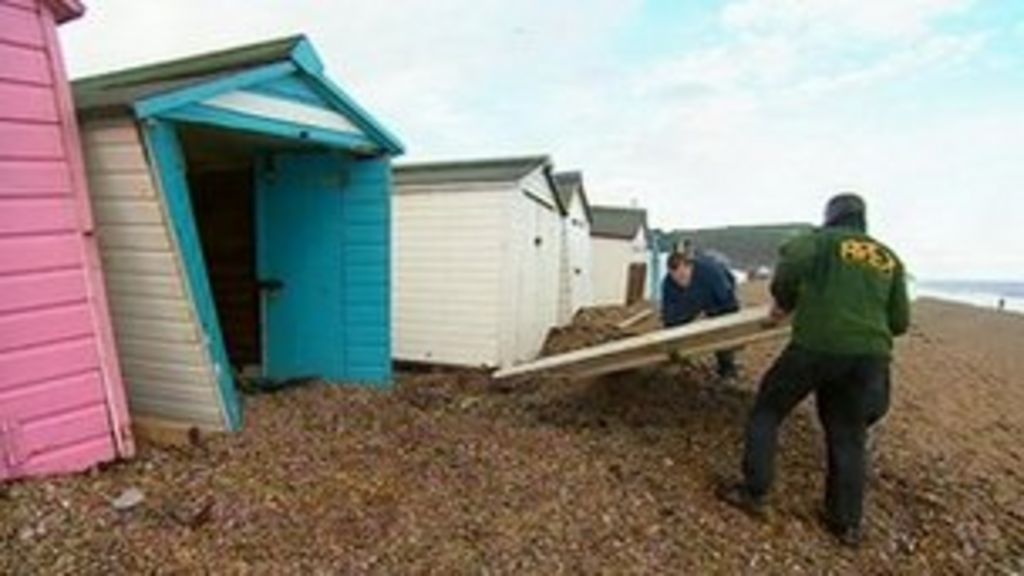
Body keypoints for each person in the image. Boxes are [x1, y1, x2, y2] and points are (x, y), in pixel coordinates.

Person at [717, 193, 910, 547]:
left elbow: (791, 260)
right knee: (848, 434)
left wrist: (784, 301)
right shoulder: (888, 258)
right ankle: (845, 523)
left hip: (816, 346)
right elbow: (899, 321)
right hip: (869, 357)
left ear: (830, 217)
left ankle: (754, 490)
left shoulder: (820, 241)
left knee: (769, 409)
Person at [661, 250, 741, 380]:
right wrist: (672, 344)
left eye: (683, 276)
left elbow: (729, 303)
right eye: (675, 277)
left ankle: (727, 367)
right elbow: (669, 318)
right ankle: (681, 359)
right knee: (678, 322)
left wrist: (732, 329)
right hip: (693, 298)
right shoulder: (668, 284)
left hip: (717, 296)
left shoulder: (711, 272)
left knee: (721, 330)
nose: (681, 281)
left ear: (690, 267)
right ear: (670, 273)